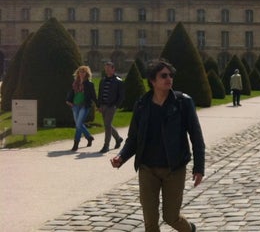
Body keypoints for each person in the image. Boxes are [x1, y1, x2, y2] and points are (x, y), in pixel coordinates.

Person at [109, 60, 205, 232]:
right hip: (148, 169)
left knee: (171, 217)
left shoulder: (183, 103)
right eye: (164, 76)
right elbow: (133, 138)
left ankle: (189, 229)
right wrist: (121, 156)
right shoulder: (141, 104)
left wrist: (199, 168)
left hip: (174, 168)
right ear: (153, 81)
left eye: (170, 75)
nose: (169, 79)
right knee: (150, 222)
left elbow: (196, 137)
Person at [65, 65, 97, 151]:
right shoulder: (75, 83)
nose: (81, 73)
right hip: (75, 105)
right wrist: (68, 100)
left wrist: (98, 105)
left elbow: (94, 96)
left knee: (78, 124)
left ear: (87, 74)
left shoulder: (89, 84)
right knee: (78, 124)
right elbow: (71, 93)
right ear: (78, 73)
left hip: (84, 106)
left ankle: (76, 143)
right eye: (80, 72)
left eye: (83, 72)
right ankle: (89, 137)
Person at [97, 62, 125, 153]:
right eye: (106, 69)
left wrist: (116, 105)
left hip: (111, 106)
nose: (107, 70)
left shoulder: (118, 81)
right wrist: (99, 105)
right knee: (107, 124)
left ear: (113, 69)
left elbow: (121, 96)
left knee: (107, 125)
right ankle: (118, 138)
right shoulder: (103, 80)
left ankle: (106, 145)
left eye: (109, 68)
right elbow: (100, 94)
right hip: (103, 105)